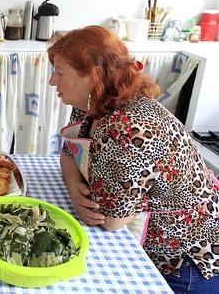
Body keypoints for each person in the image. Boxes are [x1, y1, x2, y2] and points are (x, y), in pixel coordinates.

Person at [48, 25, 218, 293]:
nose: (52, 81)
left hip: (181, 262)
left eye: (60, 72)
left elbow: (110, 221)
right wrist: (74, 189)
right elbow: (68, 152)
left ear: (93, 77)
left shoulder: (126, 129)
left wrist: (83, 200)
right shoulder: (93, 105)